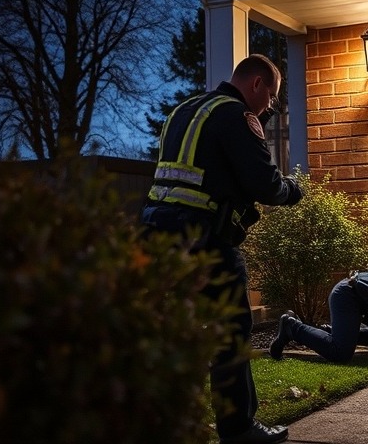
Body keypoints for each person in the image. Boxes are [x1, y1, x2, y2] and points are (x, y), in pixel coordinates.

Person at [140, 54, 303, 444]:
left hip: (155, 233)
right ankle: (239, 429)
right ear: (257, 85)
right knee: (230, 331)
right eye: (271, 99)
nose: (268, 108)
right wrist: (292, 191)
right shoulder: (236, 115)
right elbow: (263, 183)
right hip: (205, 238)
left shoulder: (185, 109)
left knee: (168, 330)